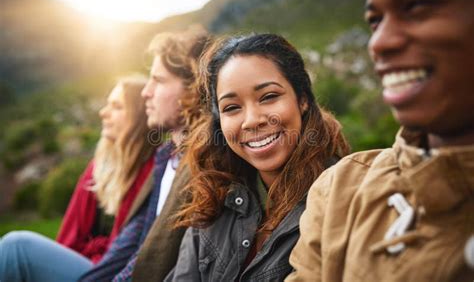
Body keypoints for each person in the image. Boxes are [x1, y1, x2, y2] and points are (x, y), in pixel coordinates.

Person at [286, 0, 474, 281]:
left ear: (303, 101)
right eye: (375, 21)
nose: (379, 42)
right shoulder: (339, 190)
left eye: (418, 5)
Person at [165, 33, 350, 281]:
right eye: (232, 107)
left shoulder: (343, 200)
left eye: (269, 97)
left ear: (302, 99)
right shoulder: (213, 199)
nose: (252, 120)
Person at [78, 28, 210, 282]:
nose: (146, 92)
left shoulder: (203, 165)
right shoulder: (165, 159)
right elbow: (129, 247)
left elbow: (155, 261)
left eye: (158, 81)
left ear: (193, 87)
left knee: (17, 248)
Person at [0, 75, 158, 281]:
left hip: (110, 273)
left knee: (16, 248)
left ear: (139, 115)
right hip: (88, 264)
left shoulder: (153, 172)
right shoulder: (98, 167)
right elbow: (69, 239)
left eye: (117, 106)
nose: (103, 113)